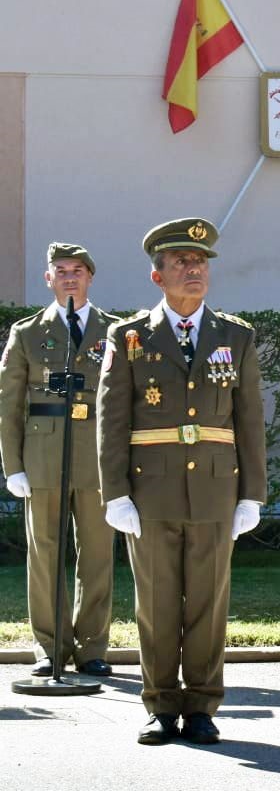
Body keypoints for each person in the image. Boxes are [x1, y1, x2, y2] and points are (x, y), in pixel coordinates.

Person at [97, 218, 267, 745]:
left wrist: (252, 494)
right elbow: (112, 419)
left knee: (209, 602)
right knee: (157, 601)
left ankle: (201, 705)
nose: (193, 270)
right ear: (157, 276)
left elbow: (249, 419)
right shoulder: (127, 337)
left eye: (200, 263)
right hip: (151, 491)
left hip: (217, 489)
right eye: (180, 263)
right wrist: (115, 492)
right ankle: (160, 706)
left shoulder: (234, 336)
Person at [1, 242, 119, 678]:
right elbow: (9, 404)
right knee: (45, 555)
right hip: (44, 455)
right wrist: (12, 465)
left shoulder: (117, 331)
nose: (70, 277)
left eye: (78, 270)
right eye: (61, 270)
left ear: (90, 277)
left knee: (97, 555)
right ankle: (49, 647)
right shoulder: (27, 333)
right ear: (47, 278)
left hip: (98, 459)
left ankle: (91, 648)